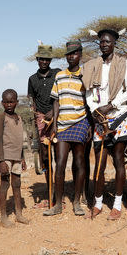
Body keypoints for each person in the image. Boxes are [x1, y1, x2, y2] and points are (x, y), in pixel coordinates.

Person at [82, 29, 127, 220]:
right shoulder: (92, 66)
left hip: (118, 116)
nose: (104, 44)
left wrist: (112, 105)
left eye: (108, 42)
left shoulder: (124, 64)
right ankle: (97, 204)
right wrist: (96, 110)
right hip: (99, 119)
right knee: (100, 163)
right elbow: (89, 91)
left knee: (119, 161)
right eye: (101, 42)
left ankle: (117, 205)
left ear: (114, 43)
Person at [43, 41, 90, 217]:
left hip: (80, 121)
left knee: (79, 163)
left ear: (80, 54)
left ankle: (77, 202)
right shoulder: (60, 76)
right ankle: (57, 204)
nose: (71, 56)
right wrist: (54, 124)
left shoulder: (85, 75)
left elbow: (90, 101)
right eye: (68, 54)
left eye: (75, 53)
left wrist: (90, 125)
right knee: (60, 162)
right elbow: (56, 101)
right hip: (62, 124)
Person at [27, 43, 61, 208]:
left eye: (47, 59)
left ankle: (60, 195)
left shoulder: (57, 74)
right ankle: (50, 193)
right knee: (46, 158)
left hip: (59, 117)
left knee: (60, 156)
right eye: (41, 59)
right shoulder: (32, 79)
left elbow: (63, 95)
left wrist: (54, 113)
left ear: (50, 60)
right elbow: (32, 103)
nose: (44, 62)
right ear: (37, 60)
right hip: (41, 120)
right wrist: (36, 125)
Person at [0, 89, 30, 228]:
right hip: (6, 156)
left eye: (12, 101)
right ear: (2, 103)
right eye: (6, 102)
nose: (9, 104)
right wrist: (1, 161)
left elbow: (20, 139)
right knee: (5, 184)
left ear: (17, 102)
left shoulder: (19, 117)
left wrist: (22, 158)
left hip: (17, 156)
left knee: (17, 184)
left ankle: (19, 214)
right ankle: (3, 217)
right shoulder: (1, 117)